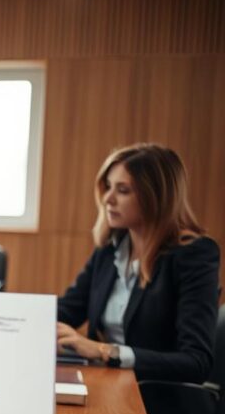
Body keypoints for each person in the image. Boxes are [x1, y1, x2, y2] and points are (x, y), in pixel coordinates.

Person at [57, 143, 220, 383]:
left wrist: (106, 351)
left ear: (155, 196)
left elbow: (196, 362)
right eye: (108, 187)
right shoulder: (110, 250)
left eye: (123, 190)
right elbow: (67, 310)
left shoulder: (194, 256)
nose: (108, 199)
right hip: (107, 386)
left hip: (159, 399)